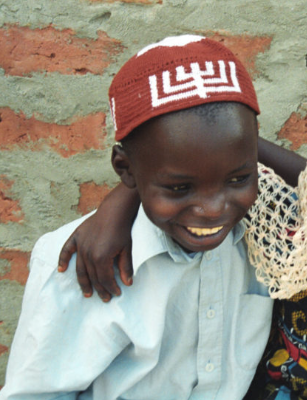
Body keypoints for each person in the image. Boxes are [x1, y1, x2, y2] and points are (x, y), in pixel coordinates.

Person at [1, 35, 307, 400]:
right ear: (125, 169)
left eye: (237, 178)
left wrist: (233, 146)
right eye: (180, 188)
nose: (212, 209)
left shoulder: (265, 236)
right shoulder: (76, 263)